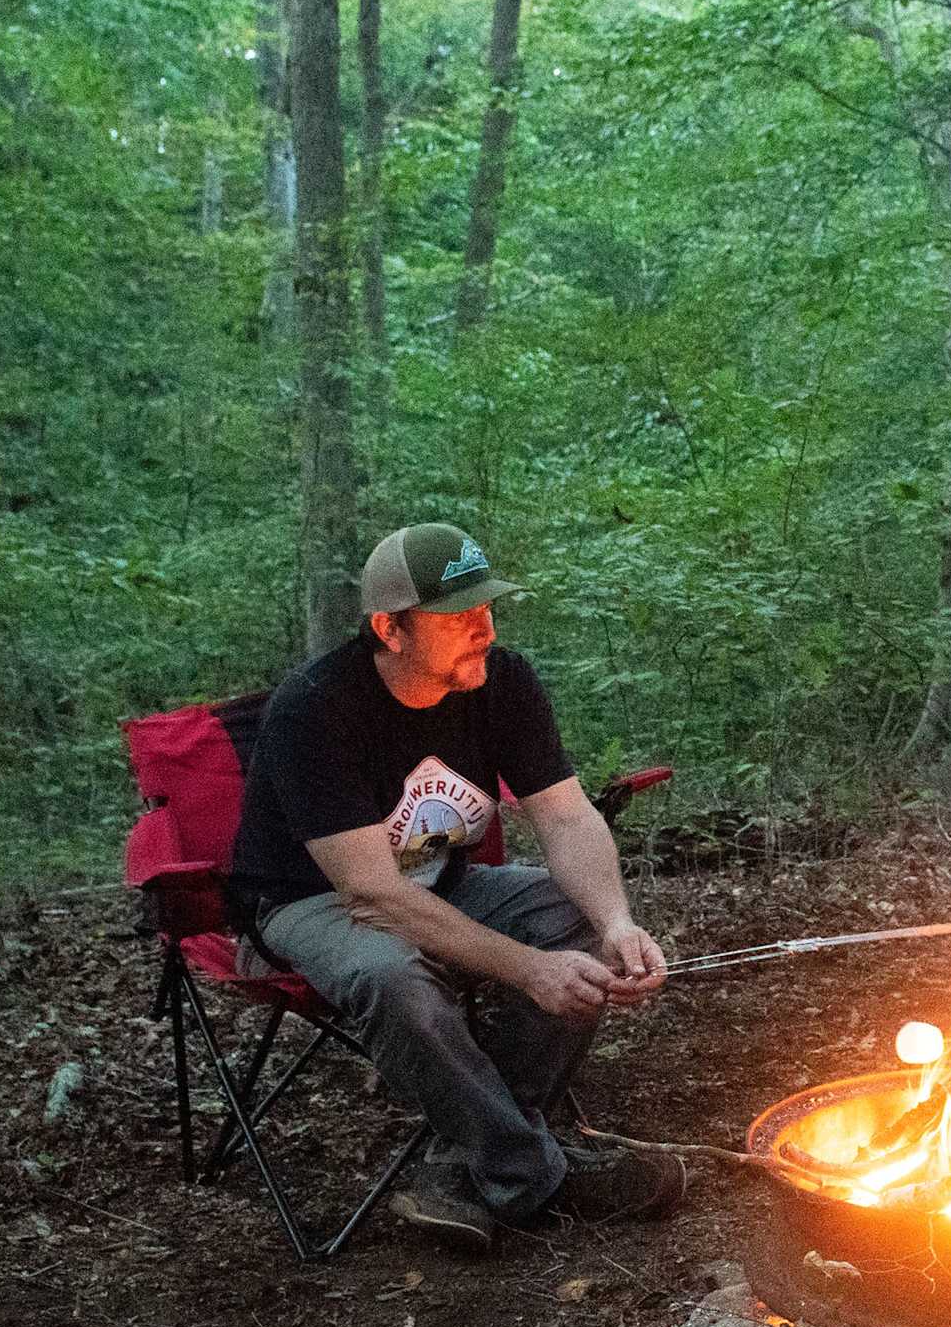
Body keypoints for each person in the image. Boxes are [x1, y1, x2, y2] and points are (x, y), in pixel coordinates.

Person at [222, 521, 683, 1254]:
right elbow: (372, 894)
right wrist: (530, 968)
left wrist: (619, 922)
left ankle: (464, 1159)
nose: (485, 628)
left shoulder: (503, 680)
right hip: (312, 901)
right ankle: (535, 1173)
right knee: (389, 973)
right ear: (390, 627)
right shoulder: (314, 709)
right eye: (460, 615)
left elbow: (566, 815)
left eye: (488, 607)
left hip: (441, 881)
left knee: (582, 920)